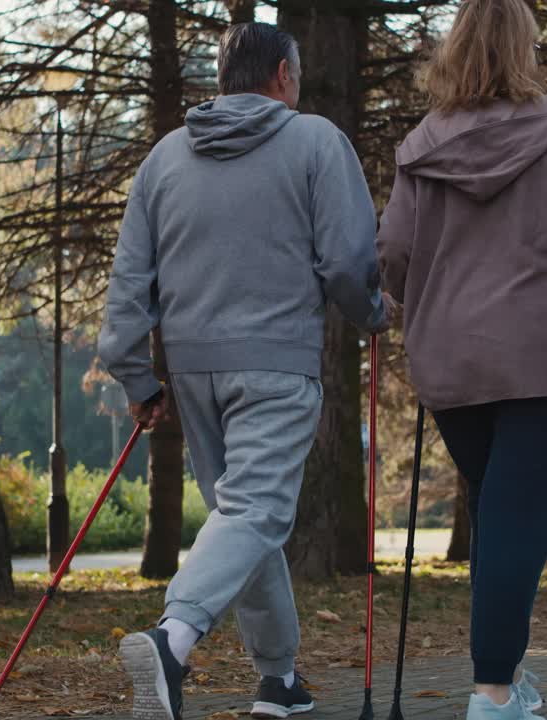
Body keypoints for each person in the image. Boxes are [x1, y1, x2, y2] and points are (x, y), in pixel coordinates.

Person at [98, 22, 390, 720]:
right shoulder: (317, 141)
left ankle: (278, 680)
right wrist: (374, 313)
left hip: (193, 372)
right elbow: (349, 264)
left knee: (244, 520)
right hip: (279, 364)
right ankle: (173, 641)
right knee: (255, 512)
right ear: (284, 77)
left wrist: (138, 378)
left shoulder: (164, 159)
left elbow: (127, 286)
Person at [376, 0, 547, 717]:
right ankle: (492, 694)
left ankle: (507, 681)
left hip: (454, 365)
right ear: (526, 48)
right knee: (517, 518)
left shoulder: (423, 146)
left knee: (502, 511)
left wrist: (421, 292)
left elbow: (393, 254)